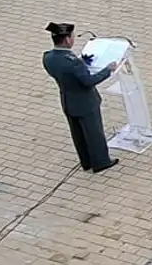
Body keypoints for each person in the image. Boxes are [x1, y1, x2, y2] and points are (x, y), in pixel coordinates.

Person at [43, 22, 121, 173]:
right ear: (67, 40)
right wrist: (108, 70)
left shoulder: (48, 57)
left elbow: (64, 72)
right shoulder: (73, 63)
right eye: (72, 37)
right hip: (85, 103)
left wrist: (80, 64)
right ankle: (101, 162)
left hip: (67, 101)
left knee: (78, 134)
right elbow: (88, 81)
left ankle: (86, 162)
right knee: (94, 133)